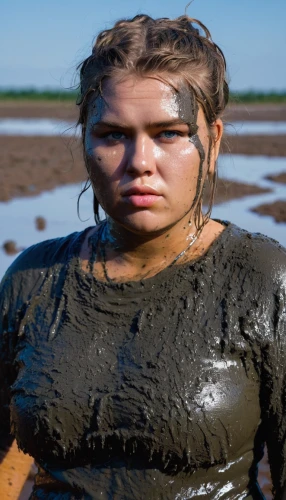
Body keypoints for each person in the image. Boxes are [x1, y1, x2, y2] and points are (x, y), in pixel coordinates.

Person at [0, 13, 286, 500]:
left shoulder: (261, 281)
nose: (139, 162)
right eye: (113, 134)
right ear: (86, 141)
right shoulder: (33, 279)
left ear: (212, 143)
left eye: (169, 133)